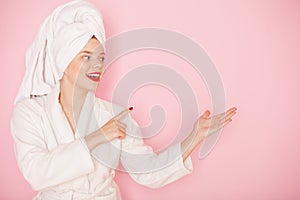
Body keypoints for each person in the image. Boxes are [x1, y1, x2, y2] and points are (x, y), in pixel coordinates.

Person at [11, 1, 237, 199]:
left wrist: (195, 136)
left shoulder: (114, 116)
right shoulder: (30, 113)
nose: (97, 65)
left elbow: (148, 172)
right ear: (63, 62)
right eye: (86, 57)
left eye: (101, 57)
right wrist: (95, 139)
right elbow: (36, 173)